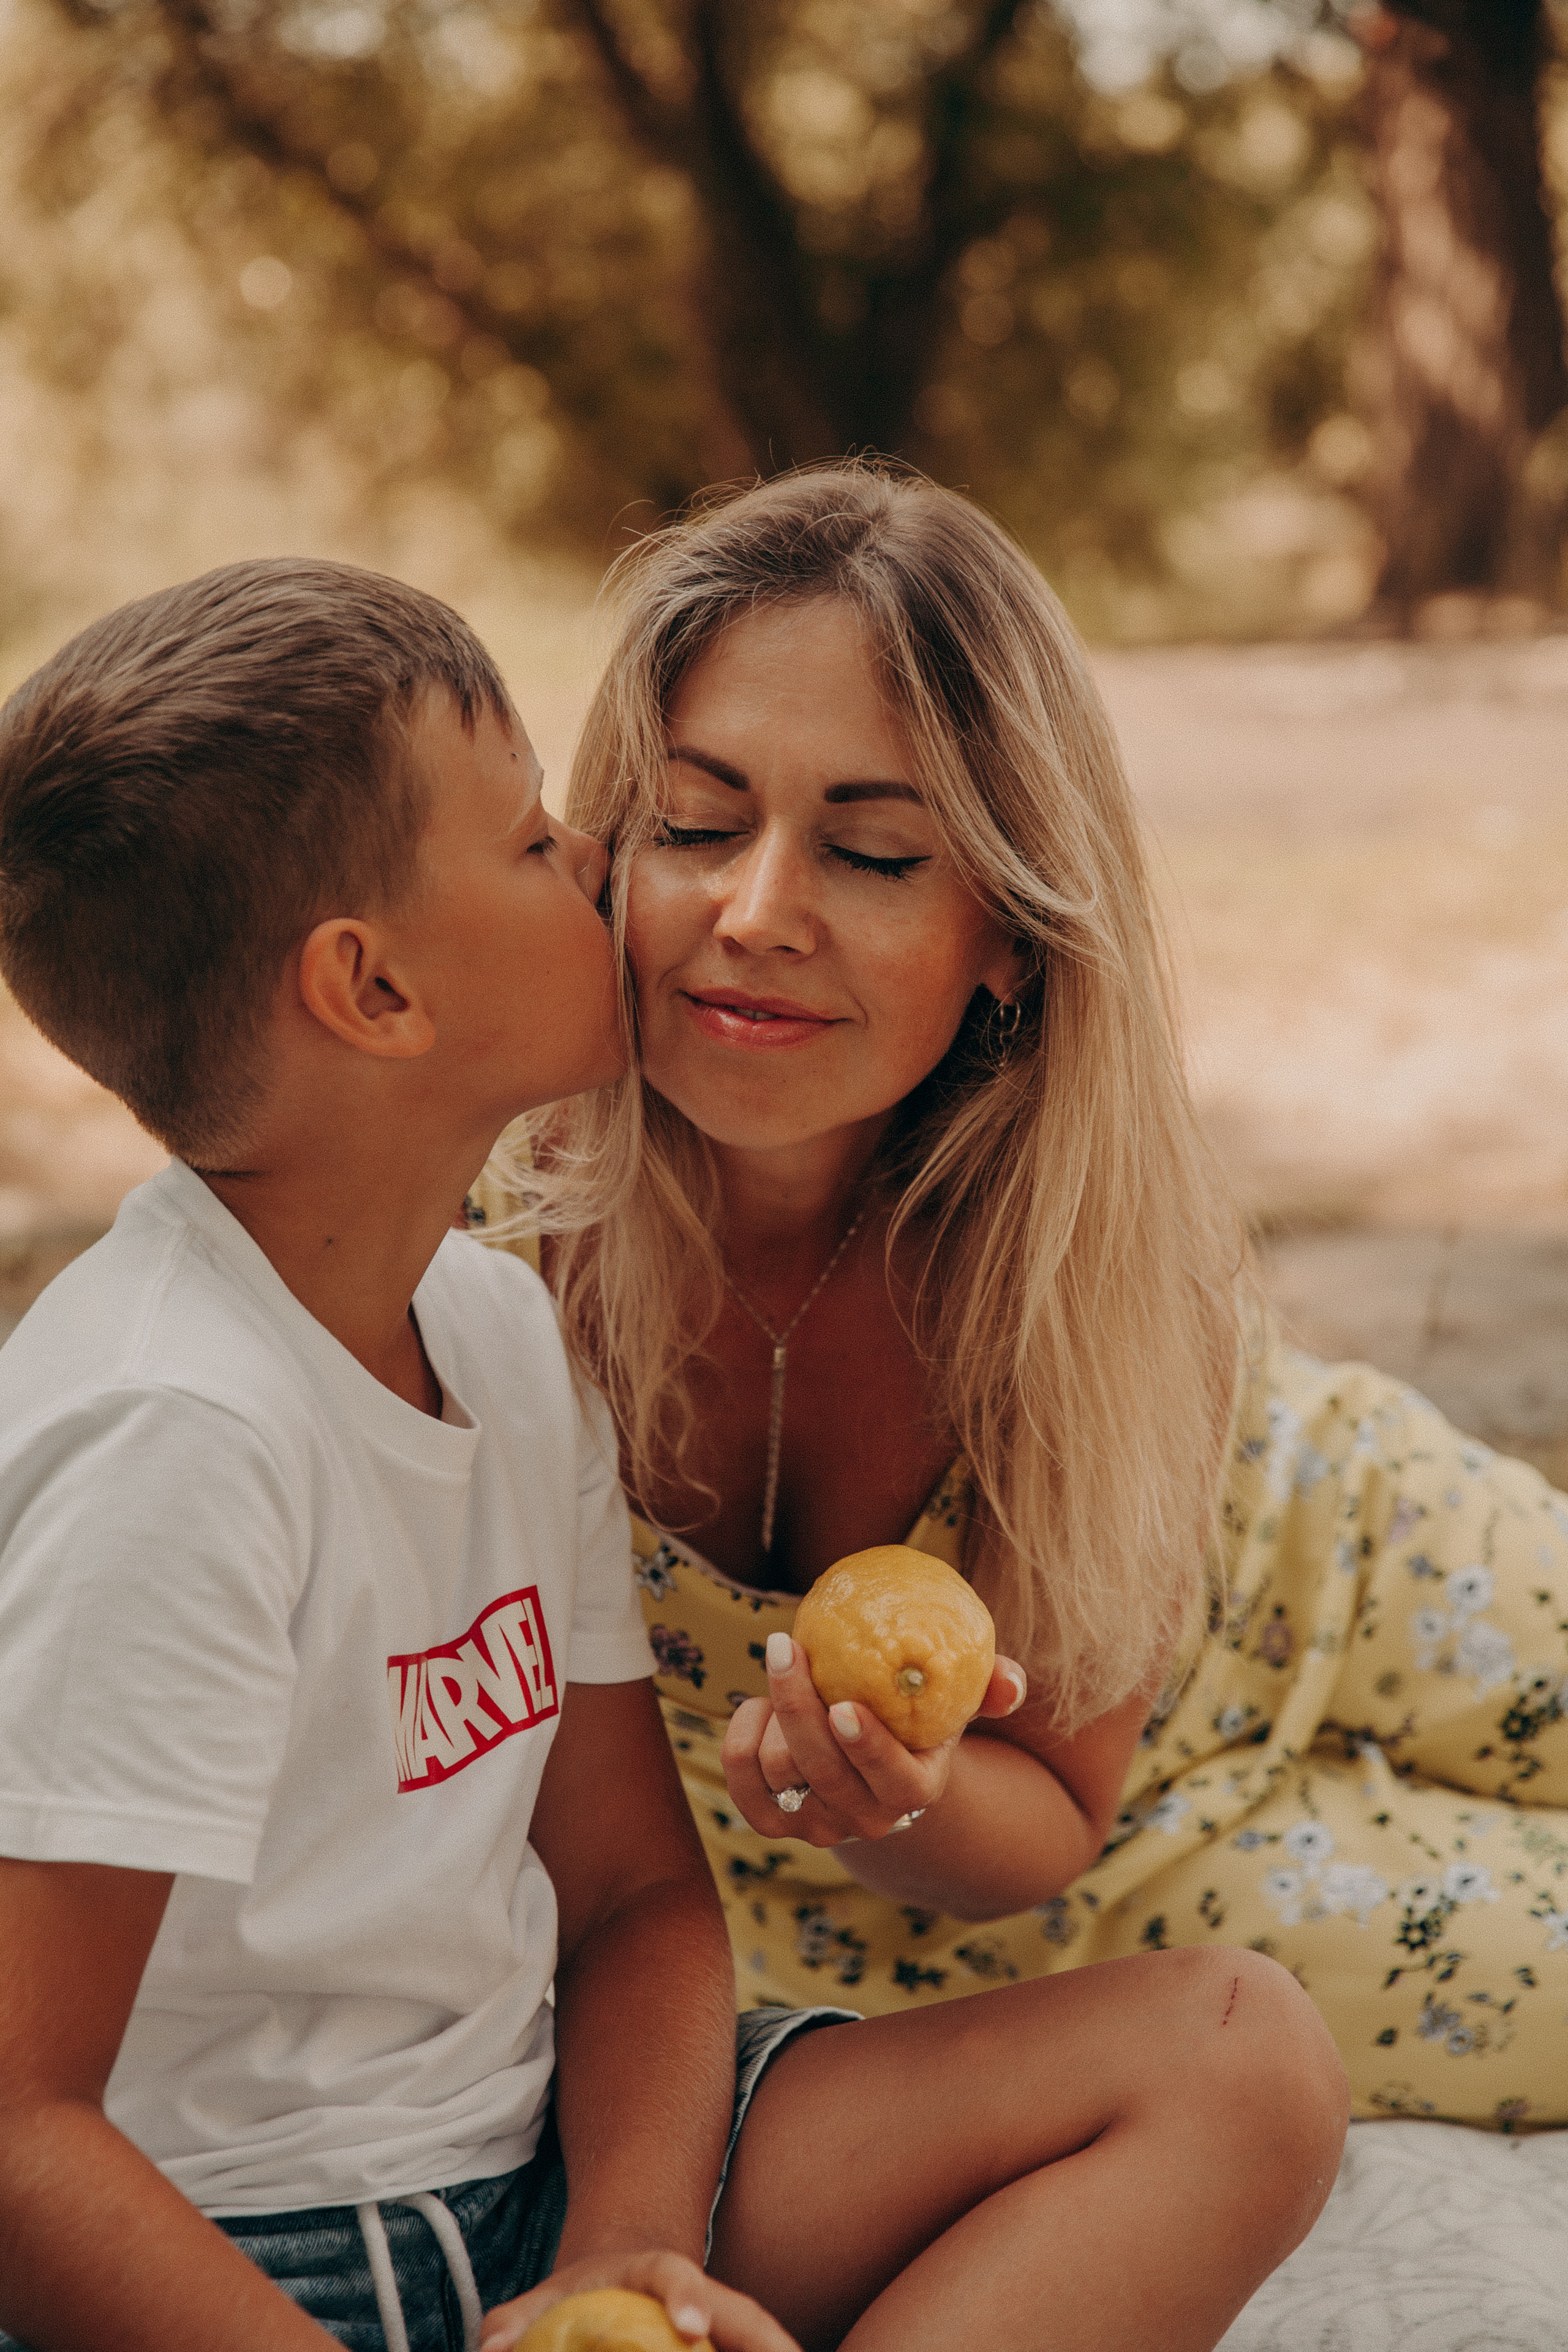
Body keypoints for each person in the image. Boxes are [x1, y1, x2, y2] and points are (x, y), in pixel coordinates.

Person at [0, 557, 1346, 2352]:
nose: (612, 875)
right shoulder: (176, 1432)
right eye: (552, 836)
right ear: (373, 989)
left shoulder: (490, 1333)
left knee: (1244, 2055)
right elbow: (20, 2132)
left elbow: (635, 1894)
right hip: (254, 2258)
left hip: (545, 2153)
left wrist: (632, 2268)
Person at [476, 460, 1568, 2135]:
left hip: (1326, 1561)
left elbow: (1064, 1743)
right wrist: (881, 1805)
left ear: (1010, 928)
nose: (756, 914)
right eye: (697, 827)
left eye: (876, 854)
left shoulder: (1086, 1246)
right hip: (1072, 1870)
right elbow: (1047, 1825)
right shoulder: (494, 1224)